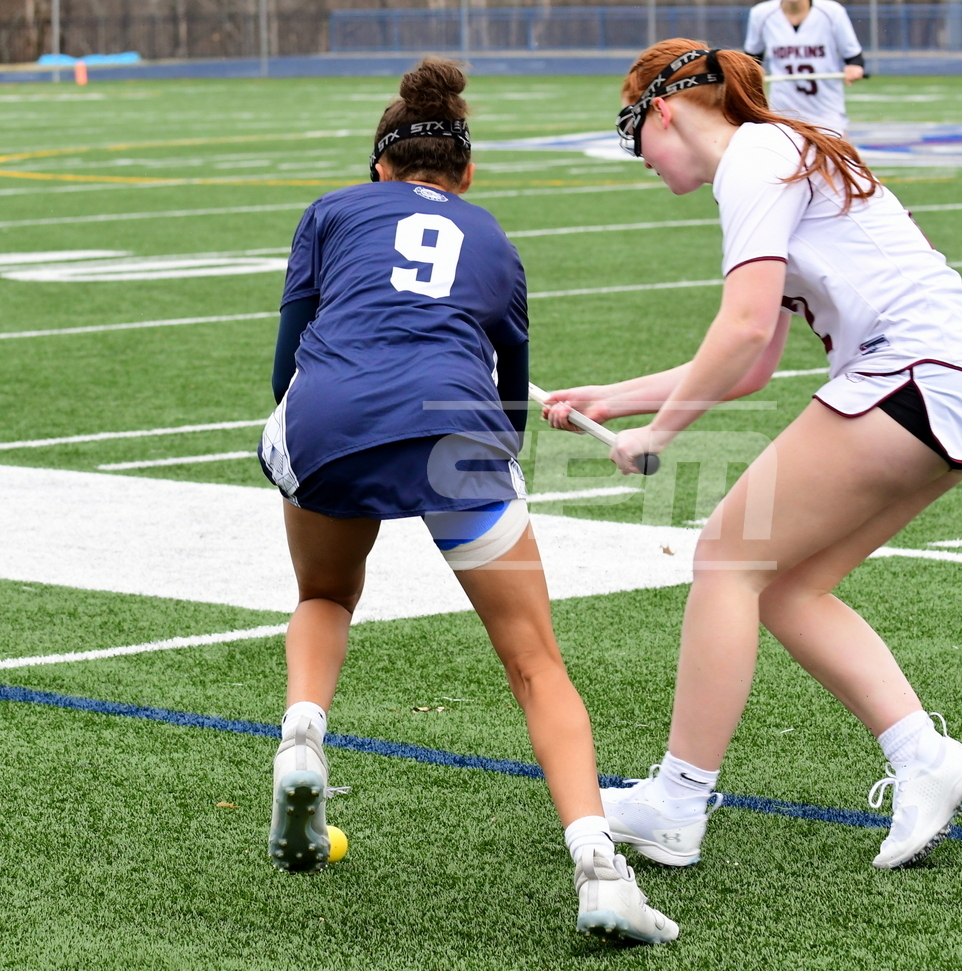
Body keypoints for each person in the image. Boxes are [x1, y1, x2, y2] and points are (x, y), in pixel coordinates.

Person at [544, 42, 962, 871]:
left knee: (725, 559)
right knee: (786, 585)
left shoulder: (756, 156)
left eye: (634, 132)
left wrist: (661, 434)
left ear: (665, 108)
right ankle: (924, 756)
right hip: (947, 387)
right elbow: (752, 363)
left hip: (909, 375)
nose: (639, 156)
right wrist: (615, 399)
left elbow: (739, 330)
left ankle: (677, 802)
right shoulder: (774, 153)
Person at [258, 57, 678, 944]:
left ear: (380, 165)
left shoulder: (332, 210)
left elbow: (286, 363)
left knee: (324, 594)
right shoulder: (493, 240)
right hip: (460, 436)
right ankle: (601, 871)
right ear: (468, 172)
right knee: (535, 663)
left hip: (328, 419)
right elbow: (512, 405)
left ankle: (302, 736)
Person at [744, 0, 866, 137]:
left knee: (838, 151)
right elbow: (751, 60)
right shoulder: (761, 14)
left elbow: (854, 57)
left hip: (827, 115)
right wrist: (754, 72)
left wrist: (854, 67)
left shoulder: (833, 12)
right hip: (782, 115)